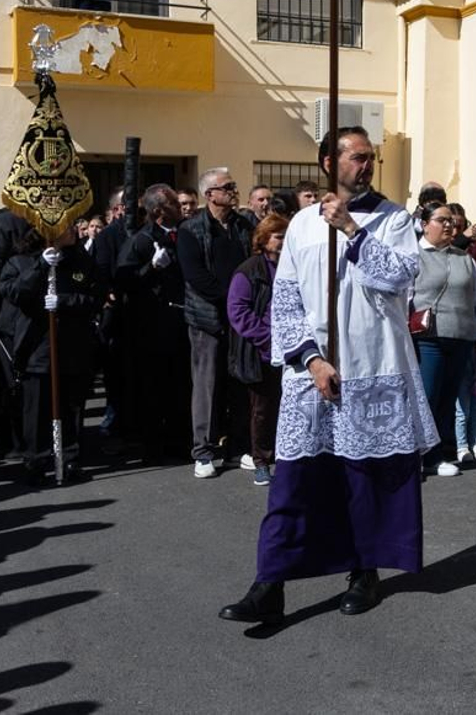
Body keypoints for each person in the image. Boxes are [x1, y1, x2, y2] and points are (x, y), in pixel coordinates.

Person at [219, 126, 434, 627]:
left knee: (364, 478)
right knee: (294, 481)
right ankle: (269, 583)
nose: (367, 165)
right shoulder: (299, 226)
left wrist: (354, 233)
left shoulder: (394, 219)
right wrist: (311, 360)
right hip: (313, 369)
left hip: (372, 363)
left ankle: (365, 572)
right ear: (327, 162)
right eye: (357, 157)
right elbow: (287, 297)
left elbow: (402, 277)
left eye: (371, 158)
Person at [0, 224, 105, 485]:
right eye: (67, 226)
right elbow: (14, 292)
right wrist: (40, 267)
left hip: (73, 344)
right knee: (36, 407)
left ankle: (69, 458)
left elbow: (96, 297)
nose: (74, 230)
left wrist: (66, 301)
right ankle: (35, 459)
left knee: (71, 406)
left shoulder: (82, 260)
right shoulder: (21, 261)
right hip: (37, 346)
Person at [176, 167, 255, 479]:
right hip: (207, 318)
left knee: (240, 383)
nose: (234, 191)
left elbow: (254, 261)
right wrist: (231, 296)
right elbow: (195, 276)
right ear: (210, 195)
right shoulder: (190, 229)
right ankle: (204, 451)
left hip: (241, 319)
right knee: (207, 386)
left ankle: (239, 448)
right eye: (228, 187)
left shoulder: (243, 225)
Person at [412, 200, 476, 477]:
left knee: (447, 401)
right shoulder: (413, 255)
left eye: (450, 220)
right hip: (427, 339)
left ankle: (436, 455)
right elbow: (405, 297)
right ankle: (417, 456)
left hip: (461, 337)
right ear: (424, 224)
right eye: (441, 220)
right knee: (427, 398)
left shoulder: (464, 257)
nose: (448, 225)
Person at [115, 184, 189, 462]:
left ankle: (179, 441)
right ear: (158, 210)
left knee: (178, 387)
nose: (179, 207)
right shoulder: (142, 240)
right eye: (172, 203)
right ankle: (153, 445)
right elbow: (124, 280)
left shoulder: (182, 234)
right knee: (153, 389)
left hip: (177, 323)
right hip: (151, 328)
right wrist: (152, 267)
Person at [227, 213, 288, 487]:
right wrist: (267, 337)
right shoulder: (249, 270)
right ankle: (261, 460)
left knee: (286, 407)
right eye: (278, 236)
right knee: (261, 409)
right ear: (263, 240)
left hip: (291, 349)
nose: (284, 241)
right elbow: (238, 311)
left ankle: (284, 455)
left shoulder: (292, 266)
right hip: (261, 351)